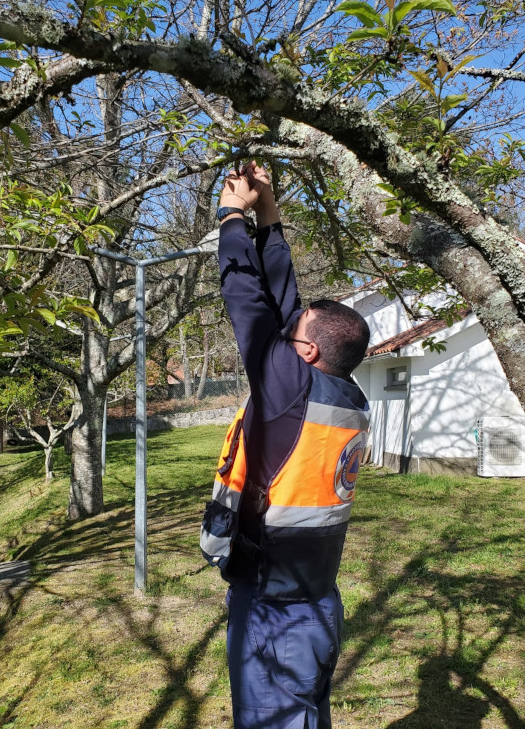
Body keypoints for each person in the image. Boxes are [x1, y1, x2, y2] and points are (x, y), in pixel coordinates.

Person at [200, 161, 371, 729]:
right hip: (315, 601)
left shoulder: (293, 392)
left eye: (293, 334)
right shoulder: (340, 397)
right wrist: (269, 214)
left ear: (307, 355)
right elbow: (284, 306)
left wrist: (231, 215)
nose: (284, 330)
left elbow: (248, 301)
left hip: (275, 612)